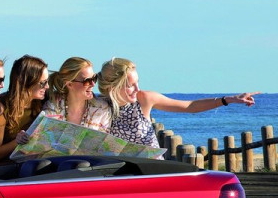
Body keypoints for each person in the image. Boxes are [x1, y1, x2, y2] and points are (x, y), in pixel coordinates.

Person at [97, 57, 259, 147]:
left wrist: (228, 100)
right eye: (130, 85)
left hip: (152, 171)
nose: (137, 88)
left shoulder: (144, 99)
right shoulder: (98, 107)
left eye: (138, 82)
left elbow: (190, 106)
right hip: (118, 175)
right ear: (113, 86)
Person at [0, 55, 49, 164]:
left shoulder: (44, 101)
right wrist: (17, 142)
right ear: (26, 82)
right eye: (43, 83)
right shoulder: (2, 108)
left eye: (47, 81)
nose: (47, 86)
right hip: (7, 169)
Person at [40, 57, 111, 131]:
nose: (93, 84)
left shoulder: (102, 109)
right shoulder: (53, 107)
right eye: (87, 81)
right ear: (69, 84)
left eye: (94, 78)